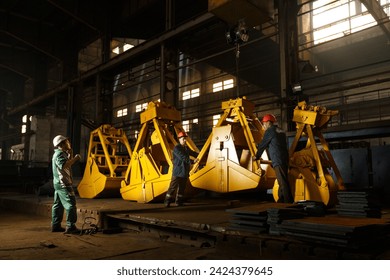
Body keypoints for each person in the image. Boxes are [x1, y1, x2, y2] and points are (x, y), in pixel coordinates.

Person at [253, 114, 293, 203]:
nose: (263, 125)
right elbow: (275, 143)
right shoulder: (280, 131)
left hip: (278, 159)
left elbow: (263, 144)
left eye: (264, 123)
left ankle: (288, 202)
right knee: (282, 180)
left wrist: (257, 156)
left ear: (268, 123)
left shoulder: (270, 131)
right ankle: (281, 200)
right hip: (284, 159)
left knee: (282, 182)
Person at [51, 135, 81, 234]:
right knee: (71, 204)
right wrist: (76, 158)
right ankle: (71, 226)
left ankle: (56, 225)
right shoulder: (59, 154)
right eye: (67, 141)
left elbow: (66, 163)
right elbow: (64, 165)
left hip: (58, 183)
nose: (69, 143)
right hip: (64, 184)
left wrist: (70, 155)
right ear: (62, 144)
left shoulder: (59, 154)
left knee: (58, 205)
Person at [164, 131, 199, 207]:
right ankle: (167, 202)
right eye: (183, 139)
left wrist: (202, 154)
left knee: (182, 188)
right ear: (179, 140)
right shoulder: (177, 148)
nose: (185, 140)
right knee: (172, 188)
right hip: (177, 172)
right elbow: (183, 157)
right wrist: (193, 161)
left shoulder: (186, 148)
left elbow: (193, 153)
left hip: (184, 172)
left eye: (185, 139)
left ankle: (178, 202)